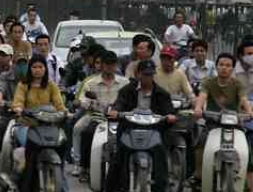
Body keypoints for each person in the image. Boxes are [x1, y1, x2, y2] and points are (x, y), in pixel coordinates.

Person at [106, 60, 176, 192]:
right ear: (137, 74)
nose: (148, 78)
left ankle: (161, 187)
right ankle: (115, 187)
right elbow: (119, 103)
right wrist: (115, 111)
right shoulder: (127, 90)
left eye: (150, 74)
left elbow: (169, 110)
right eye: (145, 74)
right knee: (118, 158)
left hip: (154, 131)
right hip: (129, 130)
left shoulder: (162, 93)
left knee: (161, 157)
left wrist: (170, 116)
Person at [191, 53, 253, 183]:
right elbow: (202, 96)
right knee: (200, 142)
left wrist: (250, 112)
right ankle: (198, 173)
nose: (224, 68)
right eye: (221, 65)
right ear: (216, 66)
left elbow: (244, 99)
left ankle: (248, 177)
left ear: (232, 68)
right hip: (213, 121)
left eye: (228, 65)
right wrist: (198, 108)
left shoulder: (238, 84)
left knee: (246, 146)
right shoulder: (208, 82)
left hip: (234, 123)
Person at [9, 54, 67, 190]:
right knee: (24, 153)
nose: (37, 70)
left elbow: (60, 105)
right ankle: (18, 182)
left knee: (62, 145)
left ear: (45, 69)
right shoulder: (23, 85)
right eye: (34, 67)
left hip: (49, 127)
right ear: (30, 69)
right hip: (27, 125)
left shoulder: (51, 86)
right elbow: (17, 102)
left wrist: (65, 112)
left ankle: (61, 182)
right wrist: (18, 109)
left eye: (40, 67)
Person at [72, 50, 129, 181]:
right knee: (85, 132)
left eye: (112, 64)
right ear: (102, 65)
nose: (110, 67)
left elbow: (131, 100)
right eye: (107, 64)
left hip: (119, 118)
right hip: (97, 116)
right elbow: (83, 100)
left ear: (116, 65)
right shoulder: (90, 83)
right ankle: (84, 168)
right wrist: (82, 103)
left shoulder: (125, 83)